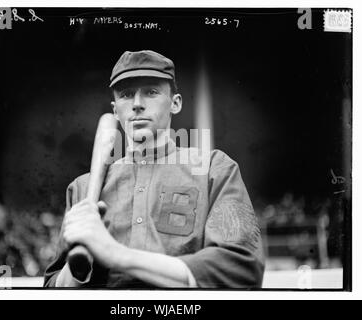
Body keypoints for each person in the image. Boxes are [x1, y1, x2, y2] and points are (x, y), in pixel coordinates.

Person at [44, 50, 264, 288]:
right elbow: (52, 288)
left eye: (151, 92)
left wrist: (116, 254)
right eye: (126, 95)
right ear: (115, 110)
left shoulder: (214, 169)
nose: (137, 104)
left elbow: (242, 267)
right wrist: (77, 268)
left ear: (175, 103)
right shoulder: (82, 189)